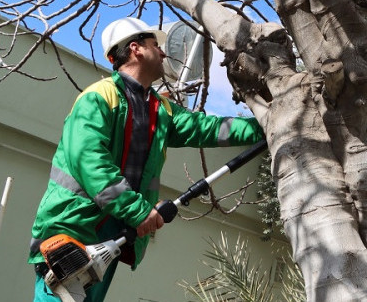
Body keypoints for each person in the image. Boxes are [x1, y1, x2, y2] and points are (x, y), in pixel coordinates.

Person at [28, 17, 264, 301]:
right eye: (156, 45)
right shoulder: (98, 98)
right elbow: (91, 163)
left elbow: (211, 129)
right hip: (74, 229)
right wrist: (139, 211)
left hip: (114, 233)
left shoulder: (160, 110)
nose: (164, 53)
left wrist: (267, 123)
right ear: (136, 49)